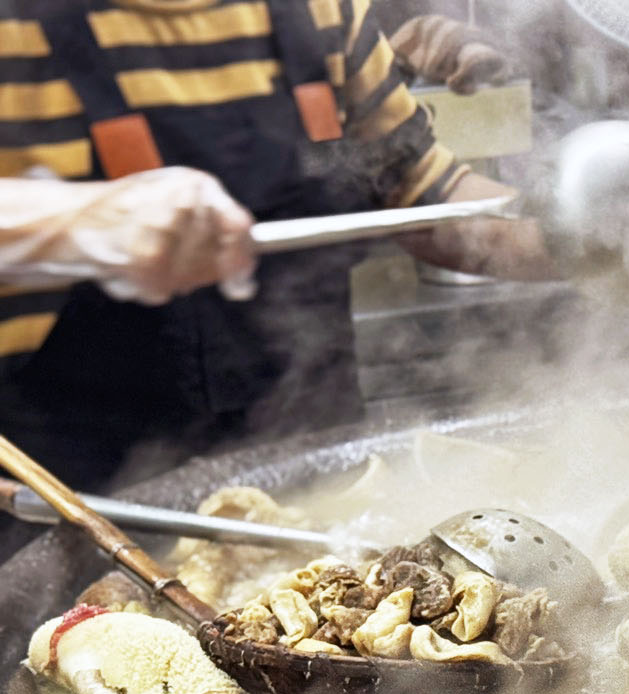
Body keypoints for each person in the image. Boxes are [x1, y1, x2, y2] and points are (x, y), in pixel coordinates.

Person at [0, 0, 559, 496]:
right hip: (74, 499)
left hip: (321, 478)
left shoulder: (325, 11)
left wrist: (579, 240)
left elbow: (423, 196)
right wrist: (77, 222)